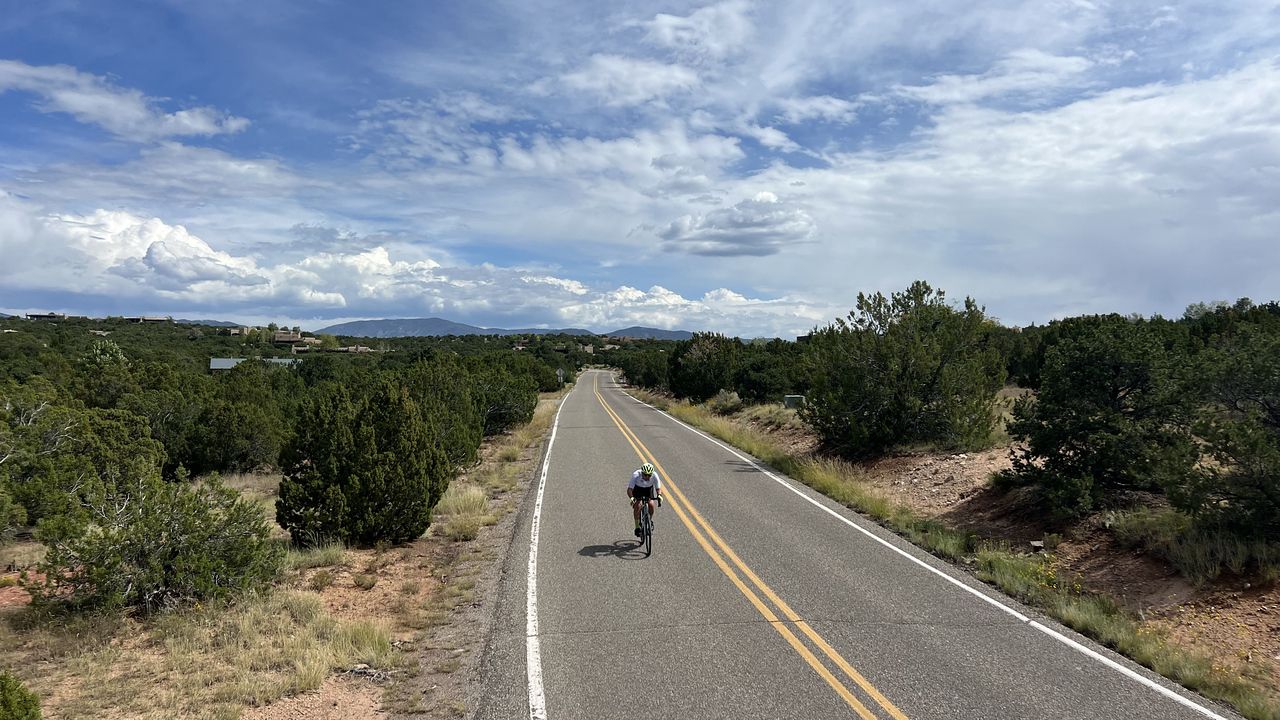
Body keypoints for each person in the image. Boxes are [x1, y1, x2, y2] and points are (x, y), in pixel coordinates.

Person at [627, 462, 661, 537]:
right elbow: (629, 489)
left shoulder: (655, 475)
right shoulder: (636, 475)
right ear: (642, 473)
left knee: (651, 505)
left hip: (648, 490)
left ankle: (649, 520)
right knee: (638, 506)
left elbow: (658, 488)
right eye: (645, 474)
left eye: (649, 475)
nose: (647, 477)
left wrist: (659, 495)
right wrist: (632, 497)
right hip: (638, 490)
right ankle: (637, 527)